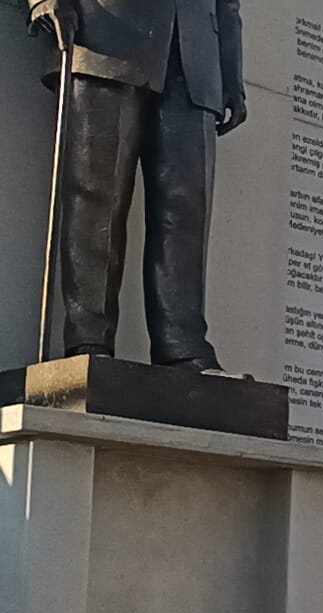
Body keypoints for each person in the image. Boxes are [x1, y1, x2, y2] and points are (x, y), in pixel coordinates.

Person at [27, 0, 247, 371]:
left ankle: (184, 345)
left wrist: (229, 70)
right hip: (106, 32)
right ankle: (89, 340)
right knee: (96, 196)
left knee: (187, 209)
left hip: (196, 53)